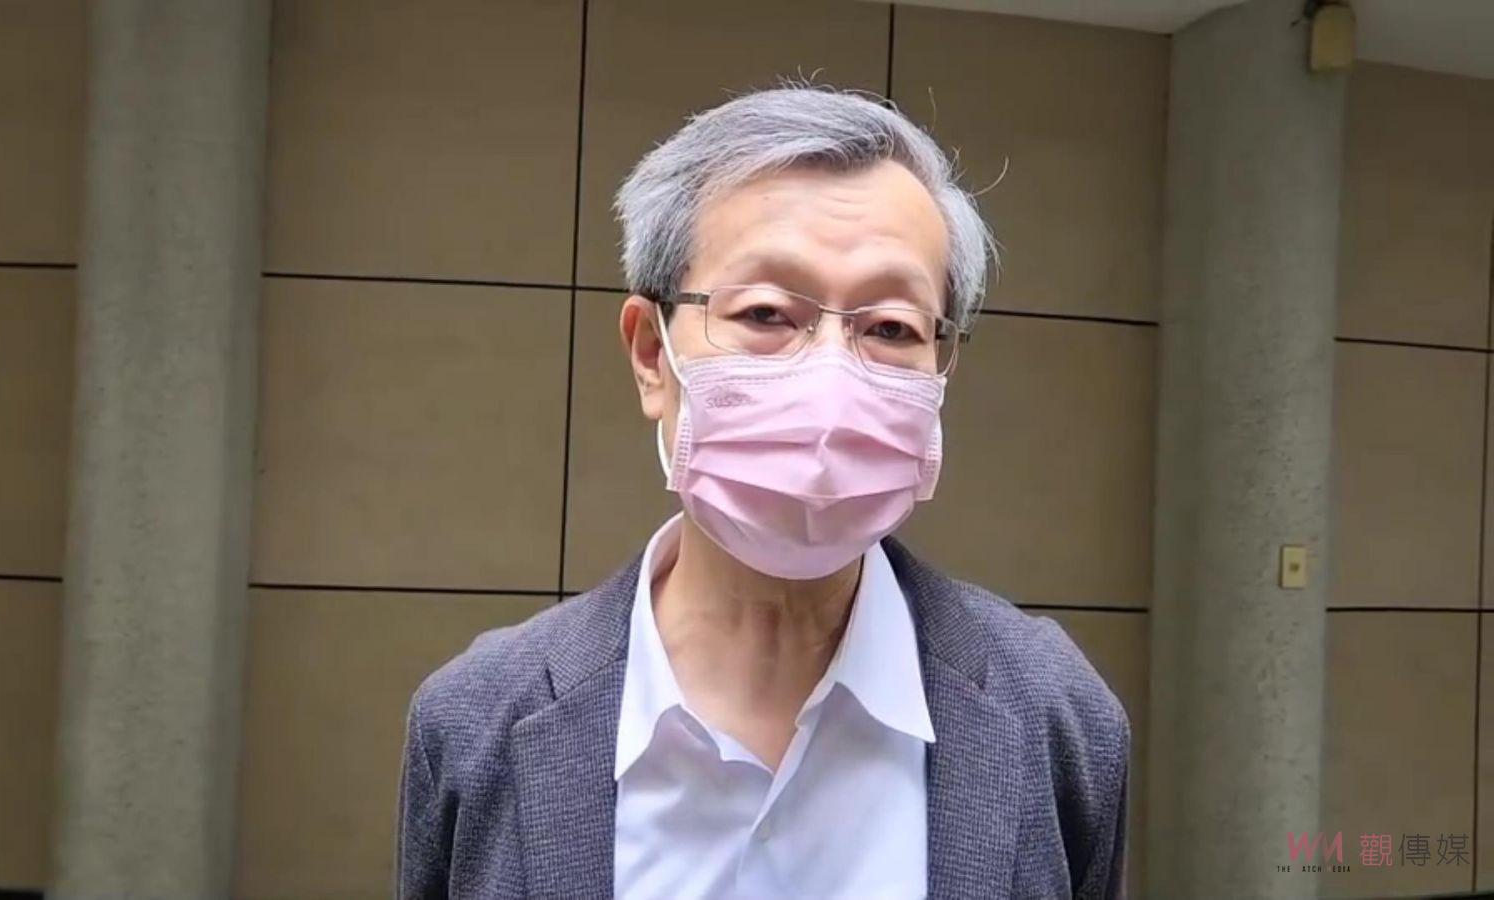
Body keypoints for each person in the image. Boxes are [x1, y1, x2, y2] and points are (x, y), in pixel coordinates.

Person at [395, 85, 1130, 900]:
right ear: (651, 354)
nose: (831, 379)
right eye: (767, 313)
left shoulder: (1057, 718)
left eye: (890, 327)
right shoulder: (476, 723)